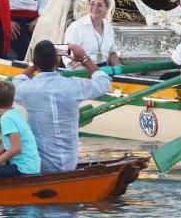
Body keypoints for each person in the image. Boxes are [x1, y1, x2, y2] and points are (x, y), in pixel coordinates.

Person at [11, 40, 111, 173]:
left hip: (41, 165)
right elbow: (103, 83)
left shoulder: (27, 89)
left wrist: (33, 66)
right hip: (70, 163)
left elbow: (17, 80)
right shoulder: (73, 85)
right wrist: (84, 59)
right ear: (57, 63)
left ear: (35, 63)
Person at [64, 0, 121, 67]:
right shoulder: (76, 27)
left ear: (107, 8)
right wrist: (85, 72)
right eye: (92, 4)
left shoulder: (108, 27)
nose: (95, 8)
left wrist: (122, 70)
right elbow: (67, 55)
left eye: (99, 5)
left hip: (104, 70)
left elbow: (112, 53)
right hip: (82, 71)